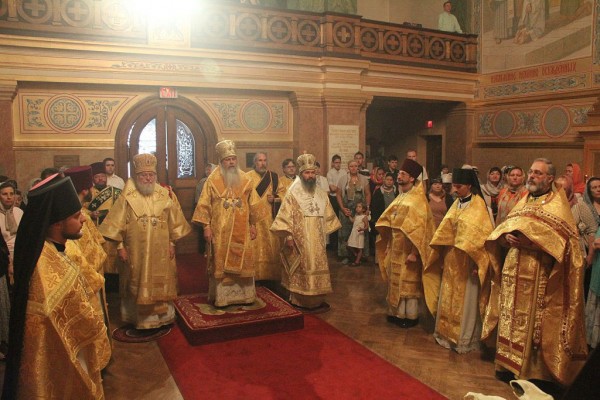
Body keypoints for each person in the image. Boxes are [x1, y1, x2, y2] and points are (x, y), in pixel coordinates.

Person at [483, 158, 588, 391]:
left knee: (534, 324)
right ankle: (507, 366)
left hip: (540, 275)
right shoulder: (523, 201)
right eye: (530, 172)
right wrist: (504, 238)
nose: (531, 176)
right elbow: (505, 226)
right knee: (510, 319)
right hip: (514, 271)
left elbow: (568, 245)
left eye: (537, 173)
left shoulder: (556, 205)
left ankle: (532, 373)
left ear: (550, 178)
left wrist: (535, 243)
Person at [2, 174, 110, 399]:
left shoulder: (54, 249)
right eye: (75, 216)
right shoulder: (42, 262)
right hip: (61, 354)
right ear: (57, 223)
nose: (82, 220)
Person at [99, 153, 191, 332]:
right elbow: (116, 224)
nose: (148, 178)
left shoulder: (164, 194)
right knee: (137, 280)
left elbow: (174, 222)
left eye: (151, 175)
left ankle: (163, 318)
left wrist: (172, 244)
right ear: (137, 176)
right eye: (144, 175)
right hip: (135, 250)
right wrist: (120, 247)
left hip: (161, 250)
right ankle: (140, 320)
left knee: (161, 281)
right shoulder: (128, 196)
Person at [424, 167, 495, 354]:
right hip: (451, 259)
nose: (455, 189)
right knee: (448, 296)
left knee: (466, 299)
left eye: (459, 186)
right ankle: (445, 334)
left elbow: (483, 238)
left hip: (468, 262)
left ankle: (464, 338)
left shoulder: (480, 206)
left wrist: (477, 263)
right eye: (454, 186)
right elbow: (445, 230)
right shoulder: (456, 204)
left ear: (469, 186)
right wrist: (440, 251)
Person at [193, 140, 265, 307]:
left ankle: (245, 296)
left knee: (244, 262)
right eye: (228, 159)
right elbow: (204, 204)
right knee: (221, 262)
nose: (231, 162)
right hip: (220, 231)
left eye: (233, 159)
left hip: (242, 229)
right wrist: (206, 226)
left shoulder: (246, 179)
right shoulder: (212, 180)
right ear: (221, 161)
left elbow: (253, 203)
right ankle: (223, 297)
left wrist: (253, 225)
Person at [270, 153, 341, 311]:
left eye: (312, 172)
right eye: (307, 173)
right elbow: (286, 216)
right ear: (301, 174)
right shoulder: (292, 193)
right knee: (302, 266)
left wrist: (325, 232)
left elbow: (329, 217)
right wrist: (288, 236)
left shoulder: (322, 194)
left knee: (318, 265)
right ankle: (299, 298)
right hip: (299, 238)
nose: (310, 176)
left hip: (318, 239)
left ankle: (317, 298)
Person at [376, 159, 435, 328]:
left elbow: (422, 231)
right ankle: (395, 313)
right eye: (399, 173)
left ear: (411, 178)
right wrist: (388, 245)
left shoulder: (418, 200)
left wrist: (414, 253)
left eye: (403, 174)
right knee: (395, 281)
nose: (399, 176)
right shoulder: (401, 196)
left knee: (408, 285)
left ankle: (410, 316)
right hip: (396, 246)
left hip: (409, 249)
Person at [63, 165, 111, 364]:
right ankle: (96, 360)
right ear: (85, 189)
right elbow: (90, 251)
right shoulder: (78, 215)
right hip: (87, 279)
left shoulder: (75, 212)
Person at [245, 152, 285, 283]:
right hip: (254, 220)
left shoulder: (273, 177)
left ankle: (272, 276)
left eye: (264, 160)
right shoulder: (247, 177)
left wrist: (276, 199)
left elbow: (284, 196)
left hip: (270, 218)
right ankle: (255, 276)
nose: (262, 163)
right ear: (254, 162)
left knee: (272, 247)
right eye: (259, 160)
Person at [336, 159, 371, 262]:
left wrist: (367, 208)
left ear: (358, 167)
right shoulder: (342, 179)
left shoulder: (364, 179)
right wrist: (342, 208)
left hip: (360, 210)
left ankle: (361, 255)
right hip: (347, 210)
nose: (353, 168)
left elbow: (368, 194)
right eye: (351, 166)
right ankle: (346, 256)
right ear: (348, 167)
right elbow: (338, 194)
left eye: (355, 166)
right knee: (345, 233)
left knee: (360, 232)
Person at [0, 179, 23, 284]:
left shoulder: (19, 212)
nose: (9, 197)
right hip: (3, 256)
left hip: (20, 253)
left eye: (11, 194)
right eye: (5, 194)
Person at [326, 154, 345, 250]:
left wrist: (339, 189)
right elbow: (332, 188)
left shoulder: (344, 172)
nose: (338, 164)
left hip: (342, 199)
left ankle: (341, 245)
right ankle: (333, 246)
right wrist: (340, 189)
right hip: (333, 200)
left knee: (342, 221)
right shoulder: (330, 173)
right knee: (334, 221)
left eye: (339, 162)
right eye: (336, 162)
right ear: (333, 163)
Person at [370, 172, 397, 237]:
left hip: (394, 220)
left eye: (391, 180)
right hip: (381, 220)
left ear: (393, 182)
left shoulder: (397, 192)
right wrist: (375, 220)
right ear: (384, 180)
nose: (389, 182)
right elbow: (374, 207)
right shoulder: (378, 192)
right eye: (387, 179)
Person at [347, 201, 369, 266]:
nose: (357, 208)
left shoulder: (364, 217)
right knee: (349, 245)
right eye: (357, 207)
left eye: (359, 207)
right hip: (354, 233)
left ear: (363, 209)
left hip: (359, 234)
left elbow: (366, 226)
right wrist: (349, 215)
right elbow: (352, 221)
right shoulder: (356, 215)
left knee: (359, 248)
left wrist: (362, 229)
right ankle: (356, 254)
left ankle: (357, 261)